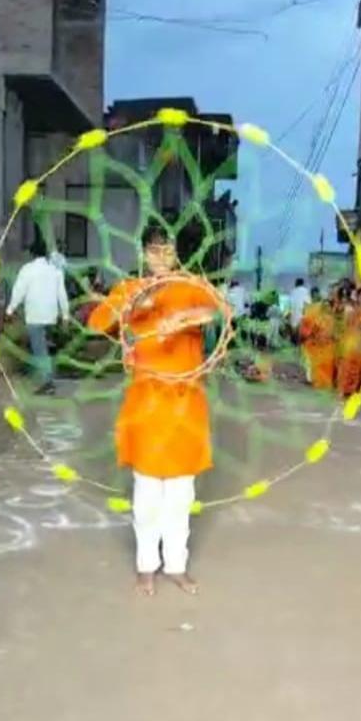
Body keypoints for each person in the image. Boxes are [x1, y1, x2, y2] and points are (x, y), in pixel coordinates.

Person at [87, 225, 224, 597]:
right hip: (146, 403)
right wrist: (129, 305)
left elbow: (218, 310)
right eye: (153, 251)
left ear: (177, 252)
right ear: (144, 253)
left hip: (184, 403)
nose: (160, 258)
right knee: (147, 493)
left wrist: (182, 319)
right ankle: (146, 567)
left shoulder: (191, 285)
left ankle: (176, 565)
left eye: (167, 251)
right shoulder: (131, 288)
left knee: (181, 492)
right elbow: (97, 322)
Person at [6, 237, 69, 394]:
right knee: (43, 348)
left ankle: (48, 383)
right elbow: (62, 293)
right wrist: (66, 316)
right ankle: (45, 378)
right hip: (51, 315)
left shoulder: (27, 269)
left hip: (35, 315)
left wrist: (10, 310)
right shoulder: (55, 269)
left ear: (32, 254)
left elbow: (18, 291)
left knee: (39, 349)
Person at [336, 287, 361, 398]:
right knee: (346, 368)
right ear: (357, 297)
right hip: (349, 344)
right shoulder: (351, 310)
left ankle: (352, 391)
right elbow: (344, 325)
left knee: (357, 370)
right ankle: (342, 390)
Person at [299, 291, 336, 390]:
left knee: (325, 364)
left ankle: (323, 382)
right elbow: (311, 329)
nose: (326, 307)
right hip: (316, 345)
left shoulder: (331, 318)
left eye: (328, 306)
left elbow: (333, 332)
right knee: (313, 363)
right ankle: (315, 381)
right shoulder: (314, 315)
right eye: (325, 305)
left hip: (326, 346)